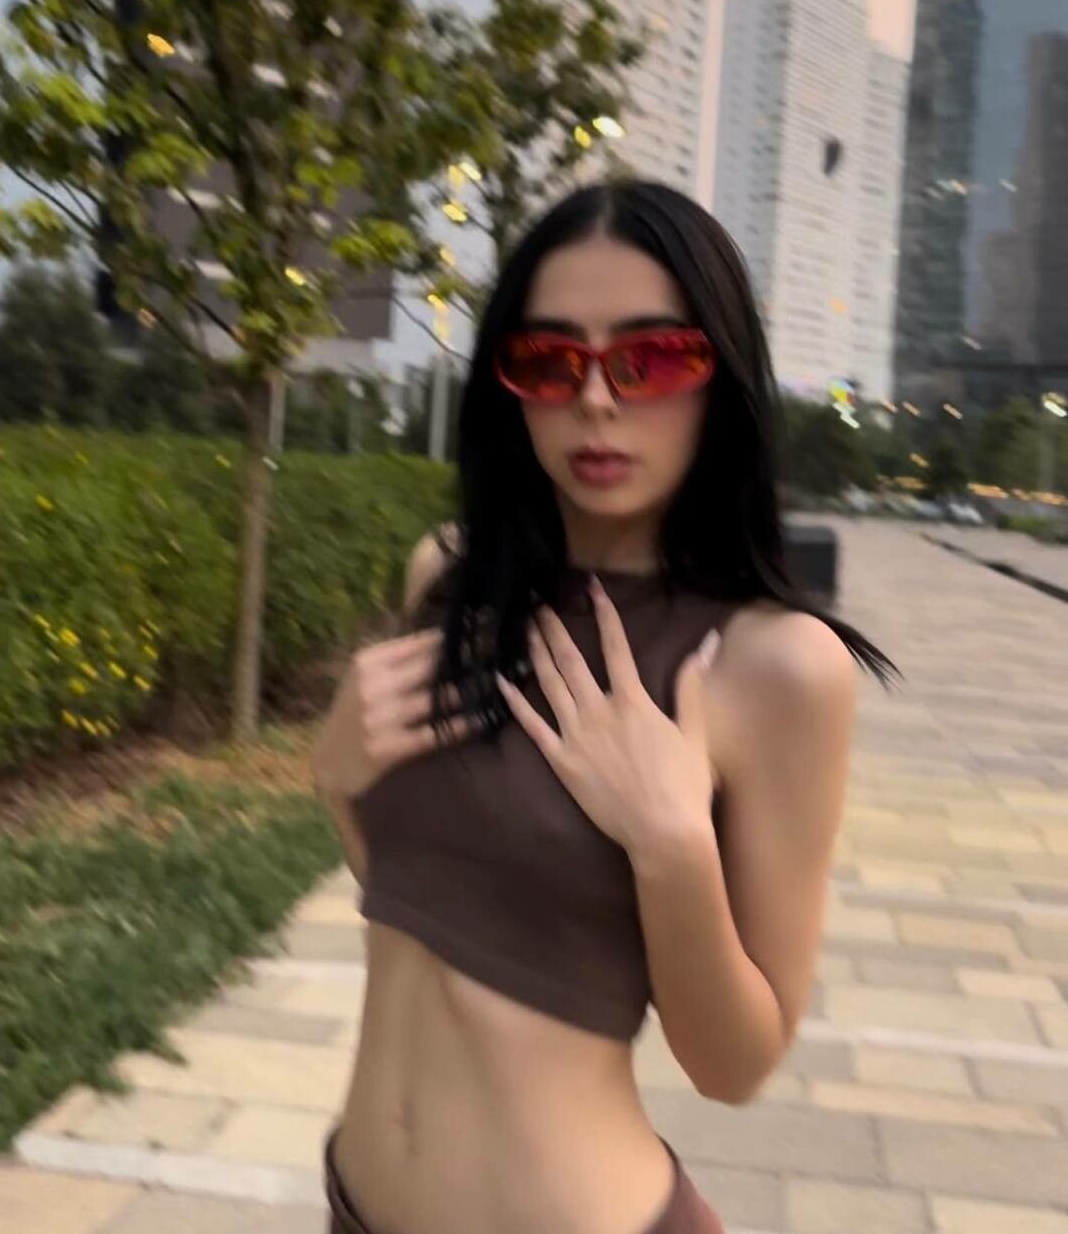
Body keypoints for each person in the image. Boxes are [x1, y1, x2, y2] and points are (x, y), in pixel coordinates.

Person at [311, 179, 900, 1234]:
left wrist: (673, 849)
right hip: (358, 1206)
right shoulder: (448, 579)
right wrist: (336, 779)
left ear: (720, 377)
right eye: (548, 360)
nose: (594, 399)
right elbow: (419, 897)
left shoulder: (774, 665)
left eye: (651, 358)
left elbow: (734, 1066)